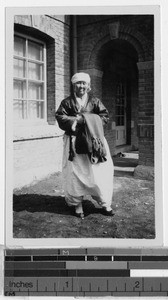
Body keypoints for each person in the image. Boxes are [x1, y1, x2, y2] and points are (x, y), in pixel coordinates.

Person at [55, 72, 114, 219]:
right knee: (76, 173)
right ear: (73, 85)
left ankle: (104, 202)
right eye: (78, 83)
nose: (81, 86)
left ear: (88, 86)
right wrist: (75, 121)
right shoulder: (67, 102)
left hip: (94, 141)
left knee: (99, 172)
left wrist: (85, 119)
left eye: (84, 83)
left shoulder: (95, 101)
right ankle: (77, 203)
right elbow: (60, 116)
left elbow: (104, 116)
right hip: (74, 143)